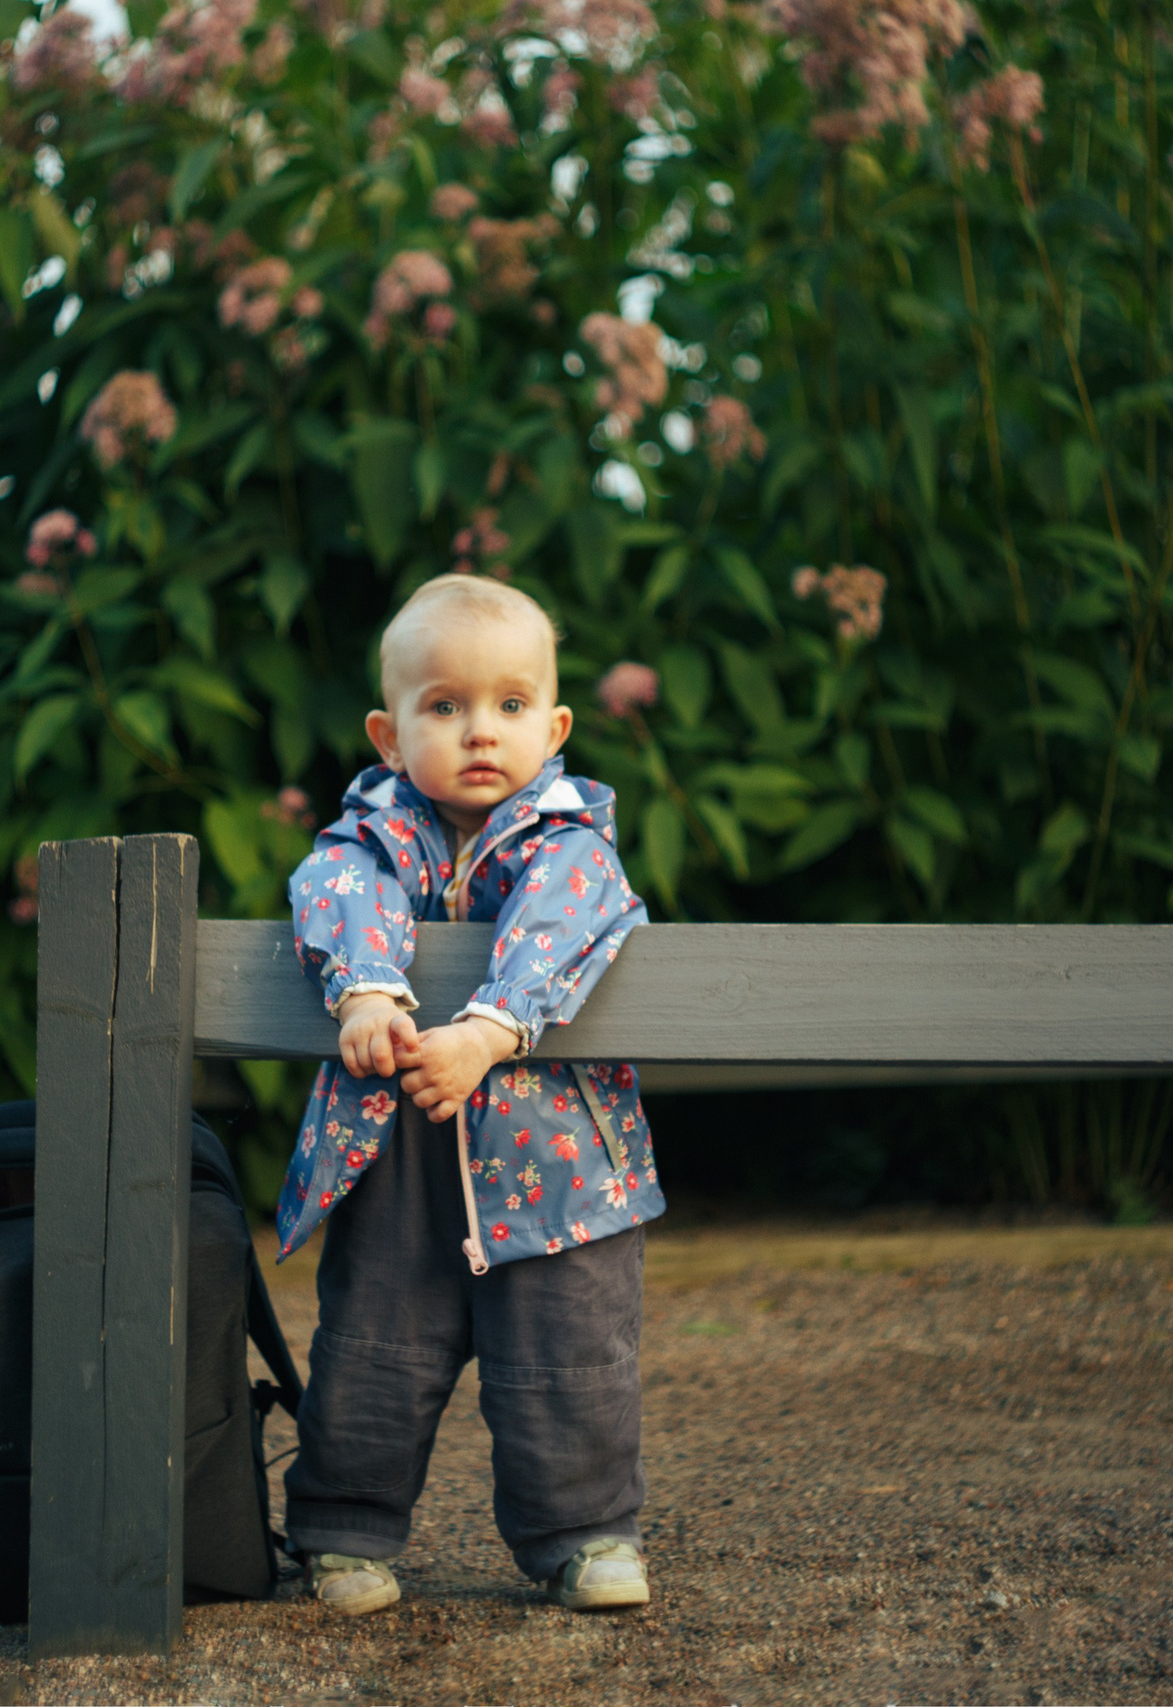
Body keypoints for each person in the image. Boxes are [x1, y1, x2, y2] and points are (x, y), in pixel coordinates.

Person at [273, 573, 663, 1617]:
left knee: (568, 1353)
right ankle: (345, 1533)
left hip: (557, 1166)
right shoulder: (373, 836)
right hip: (395, 1146)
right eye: (442, 707)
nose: (479, 731)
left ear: (555, 725)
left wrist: (490, 1033)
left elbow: (568, 920)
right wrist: (362, 994)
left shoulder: (567, 840)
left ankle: (585, 1536)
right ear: (388, 736)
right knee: (373, 1343)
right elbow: (333, 891)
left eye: (509, 705)